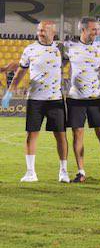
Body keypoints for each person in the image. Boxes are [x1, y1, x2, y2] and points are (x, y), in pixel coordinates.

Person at [7, 21, 69, 183]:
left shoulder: (62, 49)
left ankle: (63, 171)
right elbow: (20, 72)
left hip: (55, 99)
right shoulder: (30, 49)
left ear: (53, 32)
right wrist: (10, 92)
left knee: (61, 136)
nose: (40, 33)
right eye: (39, 30)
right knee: (31, 135)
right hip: (35, 99)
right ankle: (30, 172)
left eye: (43, 31)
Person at [64, 17, 100, 182]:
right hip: (75, 98)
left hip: (96, 97)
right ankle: (81, 171)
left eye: (97, 29)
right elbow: (58, 64)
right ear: (82, 30)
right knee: (77, 134)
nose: (96, 32)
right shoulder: (69, 46)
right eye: (93, 29)